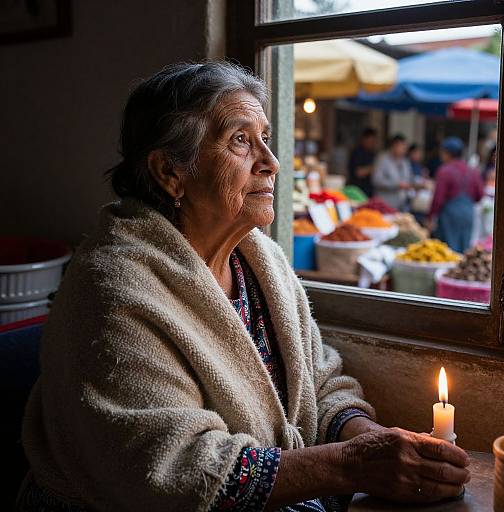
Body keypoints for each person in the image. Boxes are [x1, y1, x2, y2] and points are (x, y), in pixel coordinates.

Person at [17, 62, 470, 512]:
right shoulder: (113, 288)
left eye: (266, 140)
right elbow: (169, 467)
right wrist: (354, 465)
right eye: (240, 140)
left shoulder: (260, 259)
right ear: (169, 172)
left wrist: (368, 438)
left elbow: (320, 380)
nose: (271, 162)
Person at [429, 137, 484, 253]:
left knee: (448, 251)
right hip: (468, 214)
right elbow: (480, 195)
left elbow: (438, 199)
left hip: (450, 215)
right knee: (464, 250)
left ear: (447, 153)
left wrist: (430, 216)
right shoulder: (472, 171)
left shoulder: (444, 171)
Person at [372, 134, 413, 211]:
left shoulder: (405, 161)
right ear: (394, 146)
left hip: (401, 203)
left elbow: (409, 178)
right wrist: (396, 185)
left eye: (405, 148)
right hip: (385, 203)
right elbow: (376, 180)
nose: (404, 150)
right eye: (402, 147)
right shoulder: (382, 159)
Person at [347, 127, 378, 197]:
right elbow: (359, 172)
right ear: (364, 139)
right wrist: (374, 168)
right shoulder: (357, 153)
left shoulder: (372, 153)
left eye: (374, 142)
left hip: (368, 191)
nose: (373, 144)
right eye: (371, 141)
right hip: (357, 190)